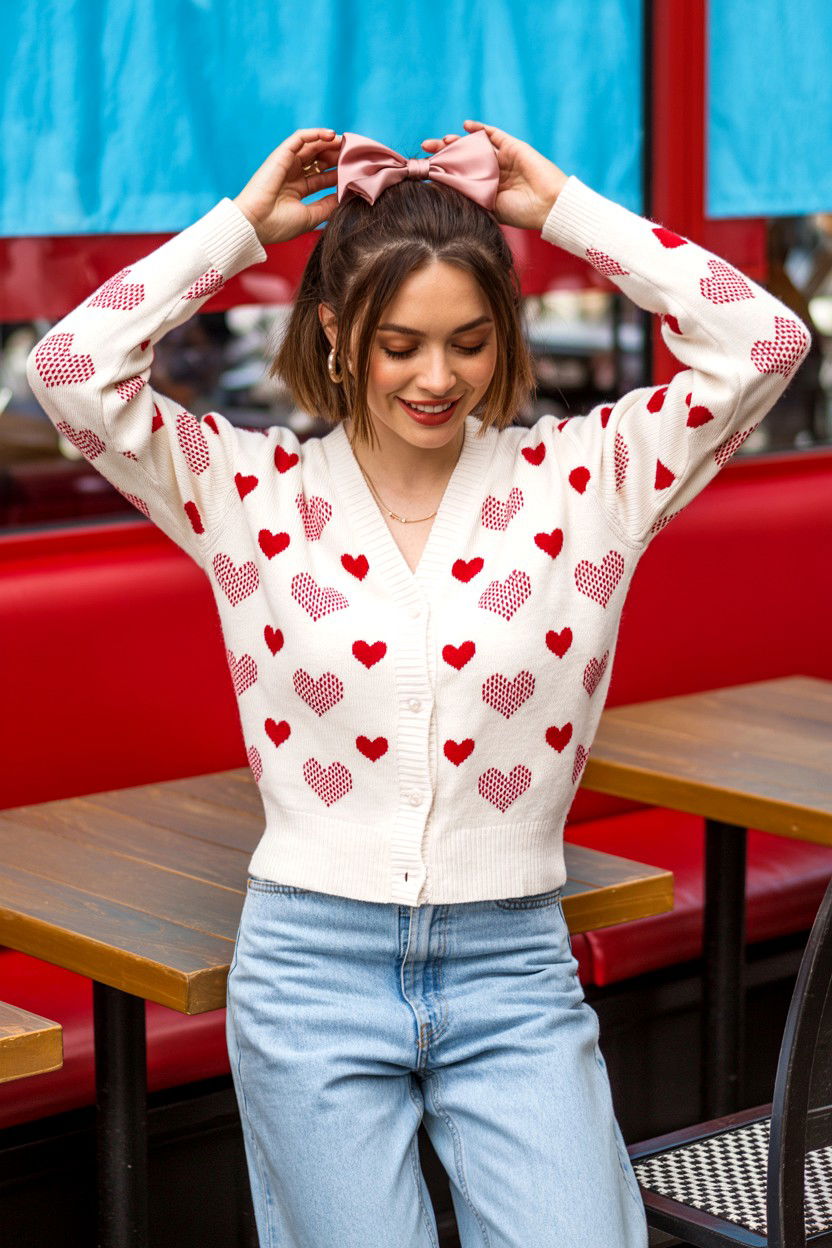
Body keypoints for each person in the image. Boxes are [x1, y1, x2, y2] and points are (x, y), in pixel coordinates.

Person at [24, 123, 810, 1248]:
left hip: (513, 970)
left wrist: (562, 212)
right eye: (399, 345)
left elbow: (764, 344)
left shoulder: (588, 480)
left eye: (469, 342)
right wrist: (241, 230)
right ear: (340, 333)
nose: (437, 379)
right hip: (309, 973)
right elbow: (71, 371)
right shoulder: (243, 489)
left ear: (504, 338)